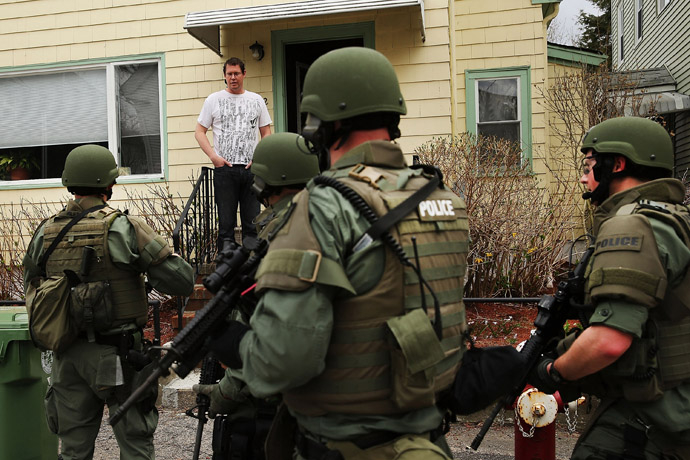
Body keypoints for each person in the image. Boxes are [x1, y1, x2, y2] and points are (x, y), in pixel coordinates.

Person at [209, 47, 470, 459]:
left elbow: (281, 363)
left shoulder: (321, 206)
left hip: (346, 445)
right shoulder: (442, 199)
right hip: (427, 438)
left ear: (321, 125)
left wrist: (230, 342)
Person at [530, 117, 690, 459]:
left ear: (616, 164)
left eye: (589, 164)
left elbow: (608, 341)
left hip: (658, 414)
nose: (583, 176)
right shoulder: (675, 217)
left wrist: (553, 372)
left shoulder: (631, 225)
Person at [22, 144, 195, 460]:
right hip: (118, 357)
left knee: (73, 451)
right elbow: (181, 280)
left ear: (69, 183)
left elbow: (31, 288)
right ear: (109, 185)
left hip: (67, 358)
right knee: (135, 446)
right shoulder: (123, 226)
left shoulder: (46, 231)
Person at [192, 132, 320, 460]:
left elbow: (270, 331)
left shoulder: (283, 232)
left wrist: (226, 391)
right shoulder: (324, 221)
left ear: (263, 183)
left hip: (273, 398)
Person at [195, 56, 272, 246]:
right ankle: (227, 269)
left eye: (236, 73)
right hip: (225, 170)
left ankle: (250, 270)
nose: (233, 77)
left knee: (252, 225)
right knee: (226, 227)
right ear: (224, 76)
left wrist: (260, 158)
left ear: (244, 74)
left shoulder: (256, 100)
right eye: (229, 74)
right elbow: (199, 131)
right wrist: (214, 157)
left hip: (250, 170)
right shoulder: (213, 100)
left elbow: (266, 131)